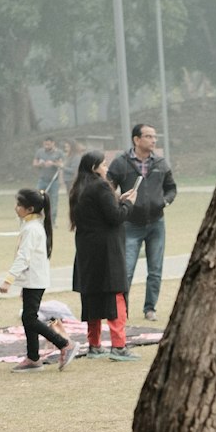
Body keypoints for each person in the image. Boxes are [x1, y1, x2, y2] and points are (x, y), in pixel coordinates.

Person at [69, 151, 140, 362]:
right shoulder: (100, 186)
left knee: (92, 297)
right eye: (103, 164)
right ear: (94, 168)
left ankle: (94, 345)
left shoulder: (78, 188)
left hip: (87, 251)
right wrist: (128, 204)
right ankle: (119, 346)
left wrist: (118, 199)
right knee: (115, 295)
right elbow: (115, 216)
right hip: (107, 251)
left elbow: (99, 210)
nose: (106, 168)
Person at [0, 187, 76, 372]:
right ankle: (33, 357)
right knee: (28, 317)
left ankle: (64, 344)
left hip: (35, 279)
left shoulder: (32, 228)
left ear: (30, 209)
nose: (16, 208)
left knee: (30, 318)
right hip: (33, 279)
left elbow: (24, 257)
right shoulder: (32, 224)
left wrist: (9, 280)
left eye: (18, 205)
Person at [107, 122, 177, 322]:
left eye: (155, 137)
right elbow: (108, 187)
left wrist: (164, 201)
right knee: (126, 270)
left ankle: (150, 308)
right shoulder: (121, 163)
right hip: (130, 224)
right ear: (136, 140)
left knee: (155, 269)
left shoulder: (161, 163)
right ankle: (123, 309)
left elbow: (171, 188)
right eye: (149, 136)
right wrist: (119, 201)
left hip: (156, 223)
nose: (153, 140)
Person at [32, 137, 65, 223]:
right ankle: (37, 218)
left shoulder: (59, 153)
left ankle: (52, 221)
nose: (46, 146)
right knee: (38, 198)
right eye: (45, 144)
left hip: (54, 181)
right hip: (42, 180)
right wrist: (40, 164)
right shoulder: (40, 152)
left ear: (53, 143)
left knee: (53, 200)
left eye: (48, 144)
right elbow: (34, 163)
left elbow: (62, 164)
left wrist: (53, 163)